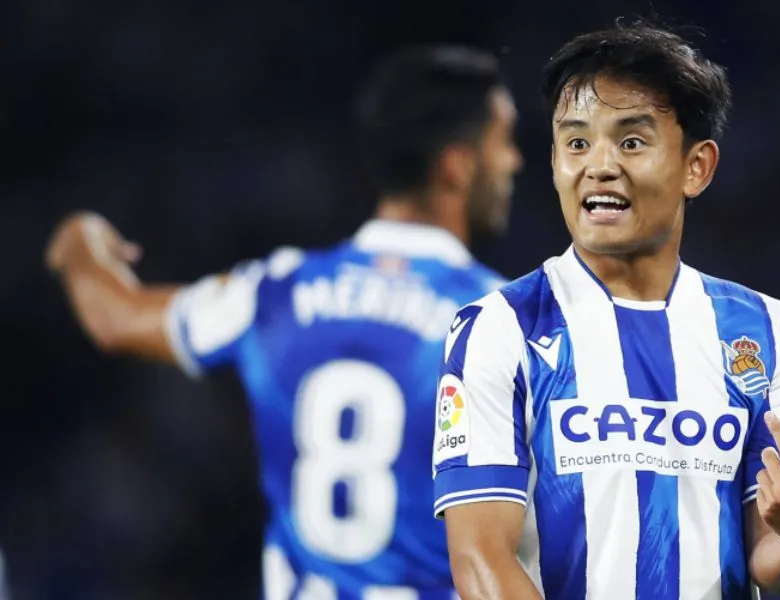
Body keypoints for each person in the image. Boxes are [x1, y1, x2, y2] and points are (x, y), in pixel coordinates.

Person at [45, 45, 523, 600]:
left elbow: (113, 317)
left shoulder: (274, 291)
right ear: (457, 166)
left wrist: (76, 242)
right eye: (504, 141)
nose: (515, 161)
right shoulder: (504, 321)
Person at [430, 22, 780, 599]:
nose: (599, 166)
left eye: (630, 142)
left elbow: (769, 556)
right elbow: (480, 559)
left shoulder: (769, 330)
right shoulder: (500, 327)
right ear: (554, 161)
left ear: (697, 167)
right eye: (577, 143)